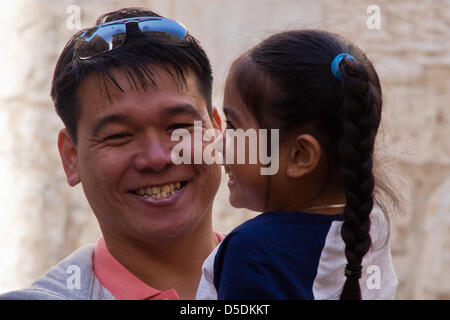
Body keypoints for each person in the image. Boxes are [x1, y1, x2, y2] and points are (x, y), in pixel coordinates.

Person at [0, 8, 224, 300]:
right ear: (71, 157)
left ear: (218, 134)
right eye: (119, 136)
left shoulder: (296, 277)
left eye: (179, 127)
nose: (156, 158)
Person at [196, 30, 398, 300]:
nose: (220, 144)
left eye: (234, 127)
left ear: (300, 156)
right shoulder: (370, 223)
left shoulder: (252, 253)